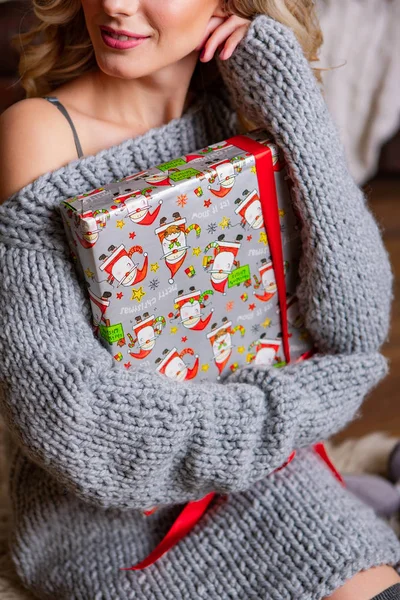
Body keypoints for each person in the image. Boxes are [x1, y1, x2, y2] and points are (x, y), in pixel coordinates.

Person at [0, 0, 400, 598]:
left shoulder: (237, 112)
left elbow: (354, 325)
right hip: (108, 522)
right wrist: (292, 410)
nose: (114, 3)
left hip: (263, 466)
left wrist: (290, 102)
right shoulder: (40, 132)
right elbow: (65, 411)